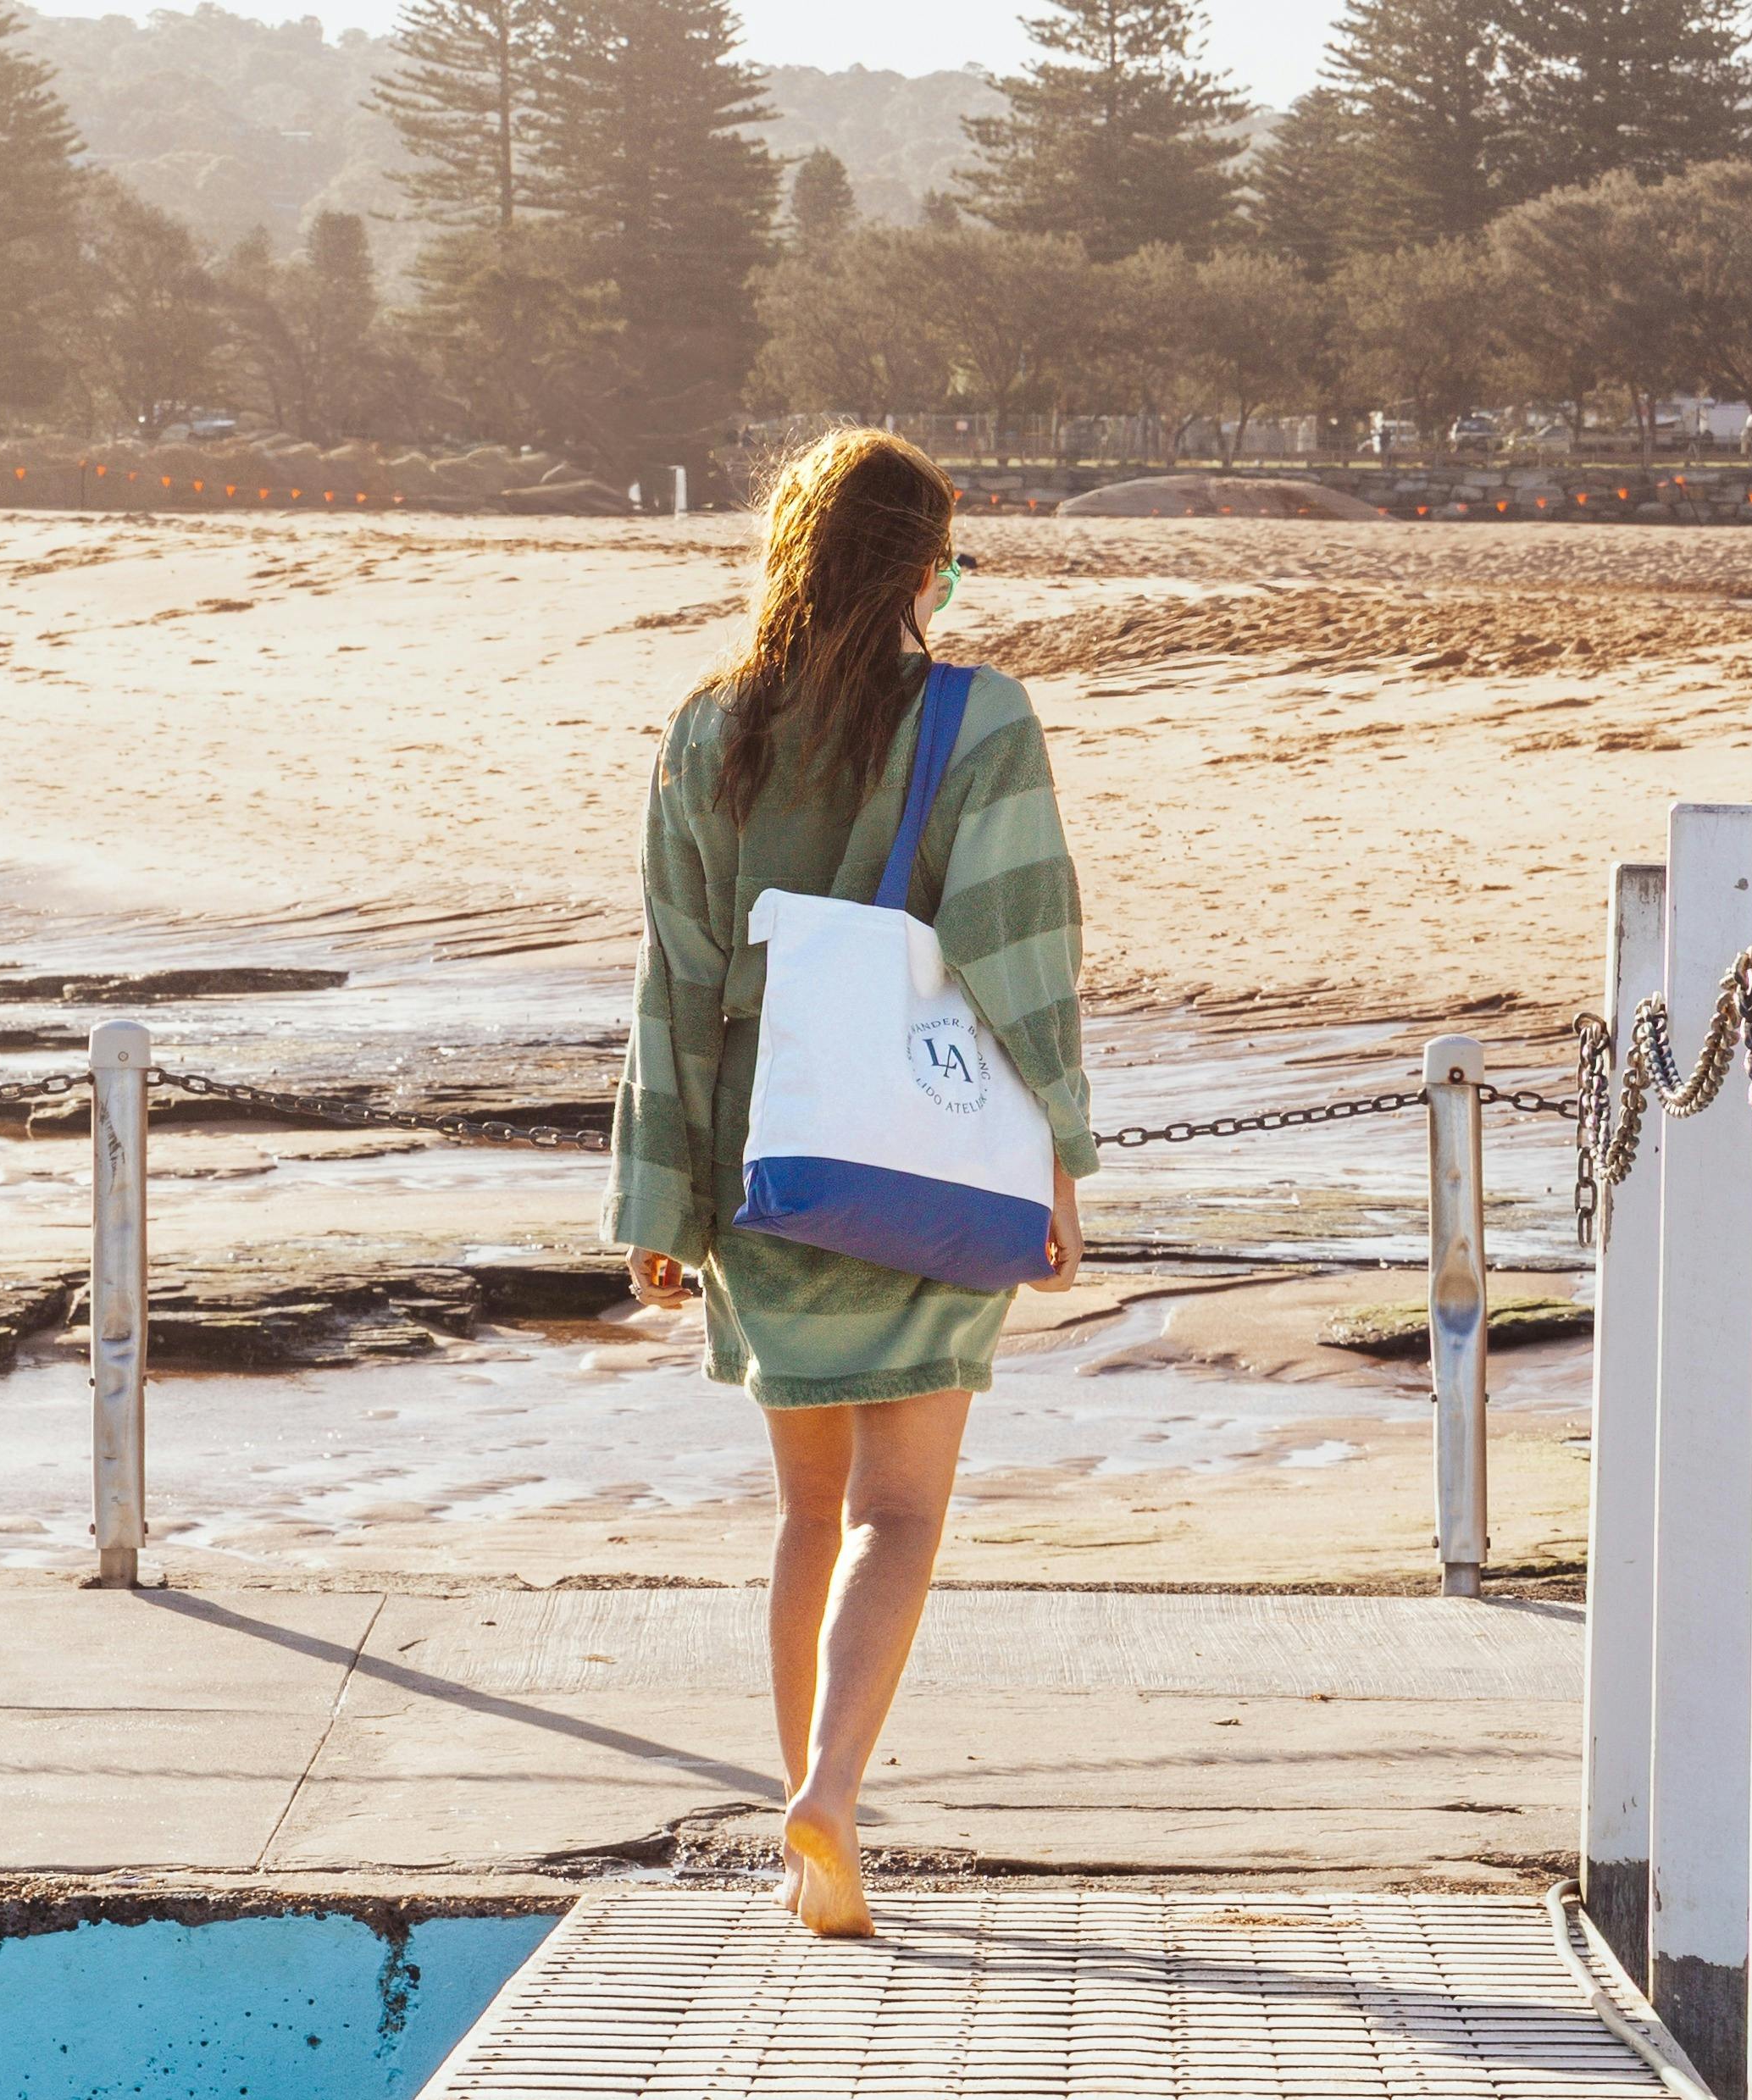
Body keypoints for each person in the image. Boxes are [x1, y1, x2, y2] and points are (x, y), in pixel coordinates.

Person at [603, 425, 1097, 1939]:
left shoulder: (710, 730)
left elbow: (675, 982)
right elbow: (1021, 951)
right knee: (902, 1513)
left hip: (772, 1163)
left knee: (810, 1515)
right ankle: (829, 1793)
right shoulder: (978, 716)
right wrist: (1060, 1159)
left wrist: (659, 1204)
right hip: (935, 1160)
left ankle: (803, 1835)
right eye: (949, 562)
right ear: (918, 570)